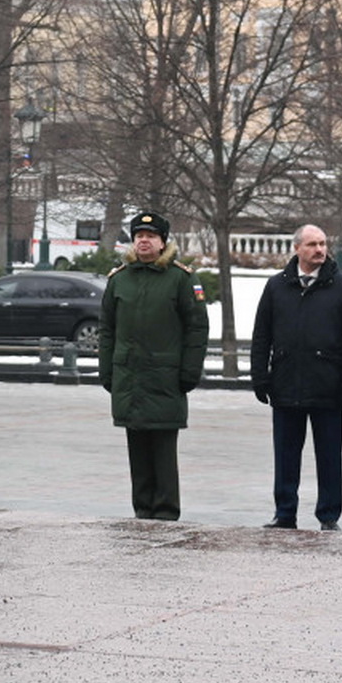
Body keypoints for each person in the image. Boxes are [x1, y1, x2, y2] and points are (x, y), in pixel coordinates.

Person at [251, 224, 342, 532]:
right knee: (285, 455)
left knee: (329, 456)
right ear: (297, 249)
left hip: (328, 387)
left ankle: (329, 516)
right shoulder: (277, 286)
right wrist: (260, 377)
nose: (320, 249)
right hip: (286, 384)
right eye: (312, 244)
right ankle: (284, 512)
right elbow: (262, 334)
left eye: (323, 243)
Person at [98, 212, 209, 521]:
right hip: (129, 378)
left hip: (165, 378)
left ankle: (165, 511)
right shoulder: (120, 279)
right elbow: (107, 329)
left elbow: (197, 328)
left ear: (162, 242)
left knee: (162, 446)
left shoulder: (181, 279)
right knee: (137, 446)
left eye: (151, 236)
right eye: (139, 235)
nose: (144, 240)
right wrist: (107, 370)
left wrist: (189, 371)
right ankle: (142, 509)